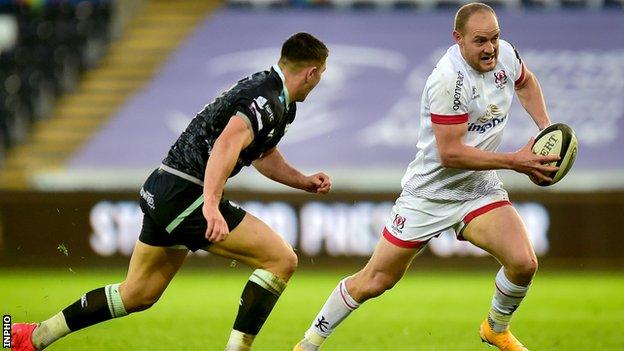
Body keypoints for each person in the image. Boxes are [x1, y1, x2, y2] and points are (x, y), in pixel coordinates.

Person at [12, 32, 330, 351]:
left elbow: (260, 153)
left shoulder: (278, 103)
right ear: (312, 72)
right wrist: (210, 203)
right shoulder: (266, 99)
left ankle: (31, 337)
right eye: (322, 74)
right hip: (185, 192)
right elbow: (226, 144)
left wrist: (302, 181)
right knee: (280, 259)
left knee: (138, 293)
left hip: (165, 187)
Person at [294, 4, 559, 351]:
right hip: (430, 192)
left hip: (478, 188)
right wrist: (514, 161)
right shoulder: (449, 80)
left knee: (524, 263)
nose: (491, 48)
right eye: (480, 41)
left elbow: (526, 82)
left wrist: (545, 128)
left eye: (494, 38)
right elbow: (451, 154)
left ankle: (496, 329)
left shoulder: (505, 54)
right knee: (375, 281)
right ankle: (309, 343)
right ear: (458, 39)